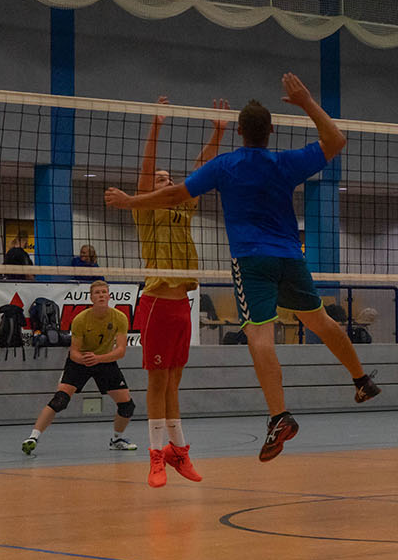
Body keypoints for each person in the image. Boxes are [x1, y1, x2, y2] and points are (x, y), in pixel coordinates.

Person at [106, 73, 381, 462]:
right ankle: (361, 379)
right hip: (291, 256)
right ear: (271, 131)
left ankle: (279, 416)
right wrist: (306, 101)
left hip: (252, 261)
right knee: (319, 320)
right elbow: (336, 140)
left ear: (239, 131)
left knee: (259, 337)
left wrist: (130, 201)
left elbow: (175, 193)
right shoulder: (285, 162)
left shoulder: (226, 165)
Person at [130, 95, 228, 488]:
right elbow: (145, 171)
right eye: (161, 180)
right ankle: (156, 456)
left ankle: (178, 451)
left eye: (169, 180)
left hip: (182, 305)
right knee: (157, 383)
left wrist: (218, 132)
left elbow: (201, 168)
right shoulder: (144, 209)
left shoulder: (183, 206)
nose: (166, 182)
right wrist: (156, 125)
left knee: (173, 383)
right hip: (156, 302)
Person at [20, 280, 138, 456]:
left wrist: (98, 359)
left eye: (104, 292)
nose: (101, 295)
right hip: (81, 361)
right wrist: (86, 359)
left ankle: (117, 440)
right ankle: (32, 438)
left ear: (109, 296)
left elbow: (121, 351)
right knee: (60, 400)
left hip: (104, 360)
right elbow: (74, 352)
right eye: (97, 293)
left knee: (127, 406)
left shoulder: (119, 317)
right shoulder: (81, 319)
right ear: (91, 297)